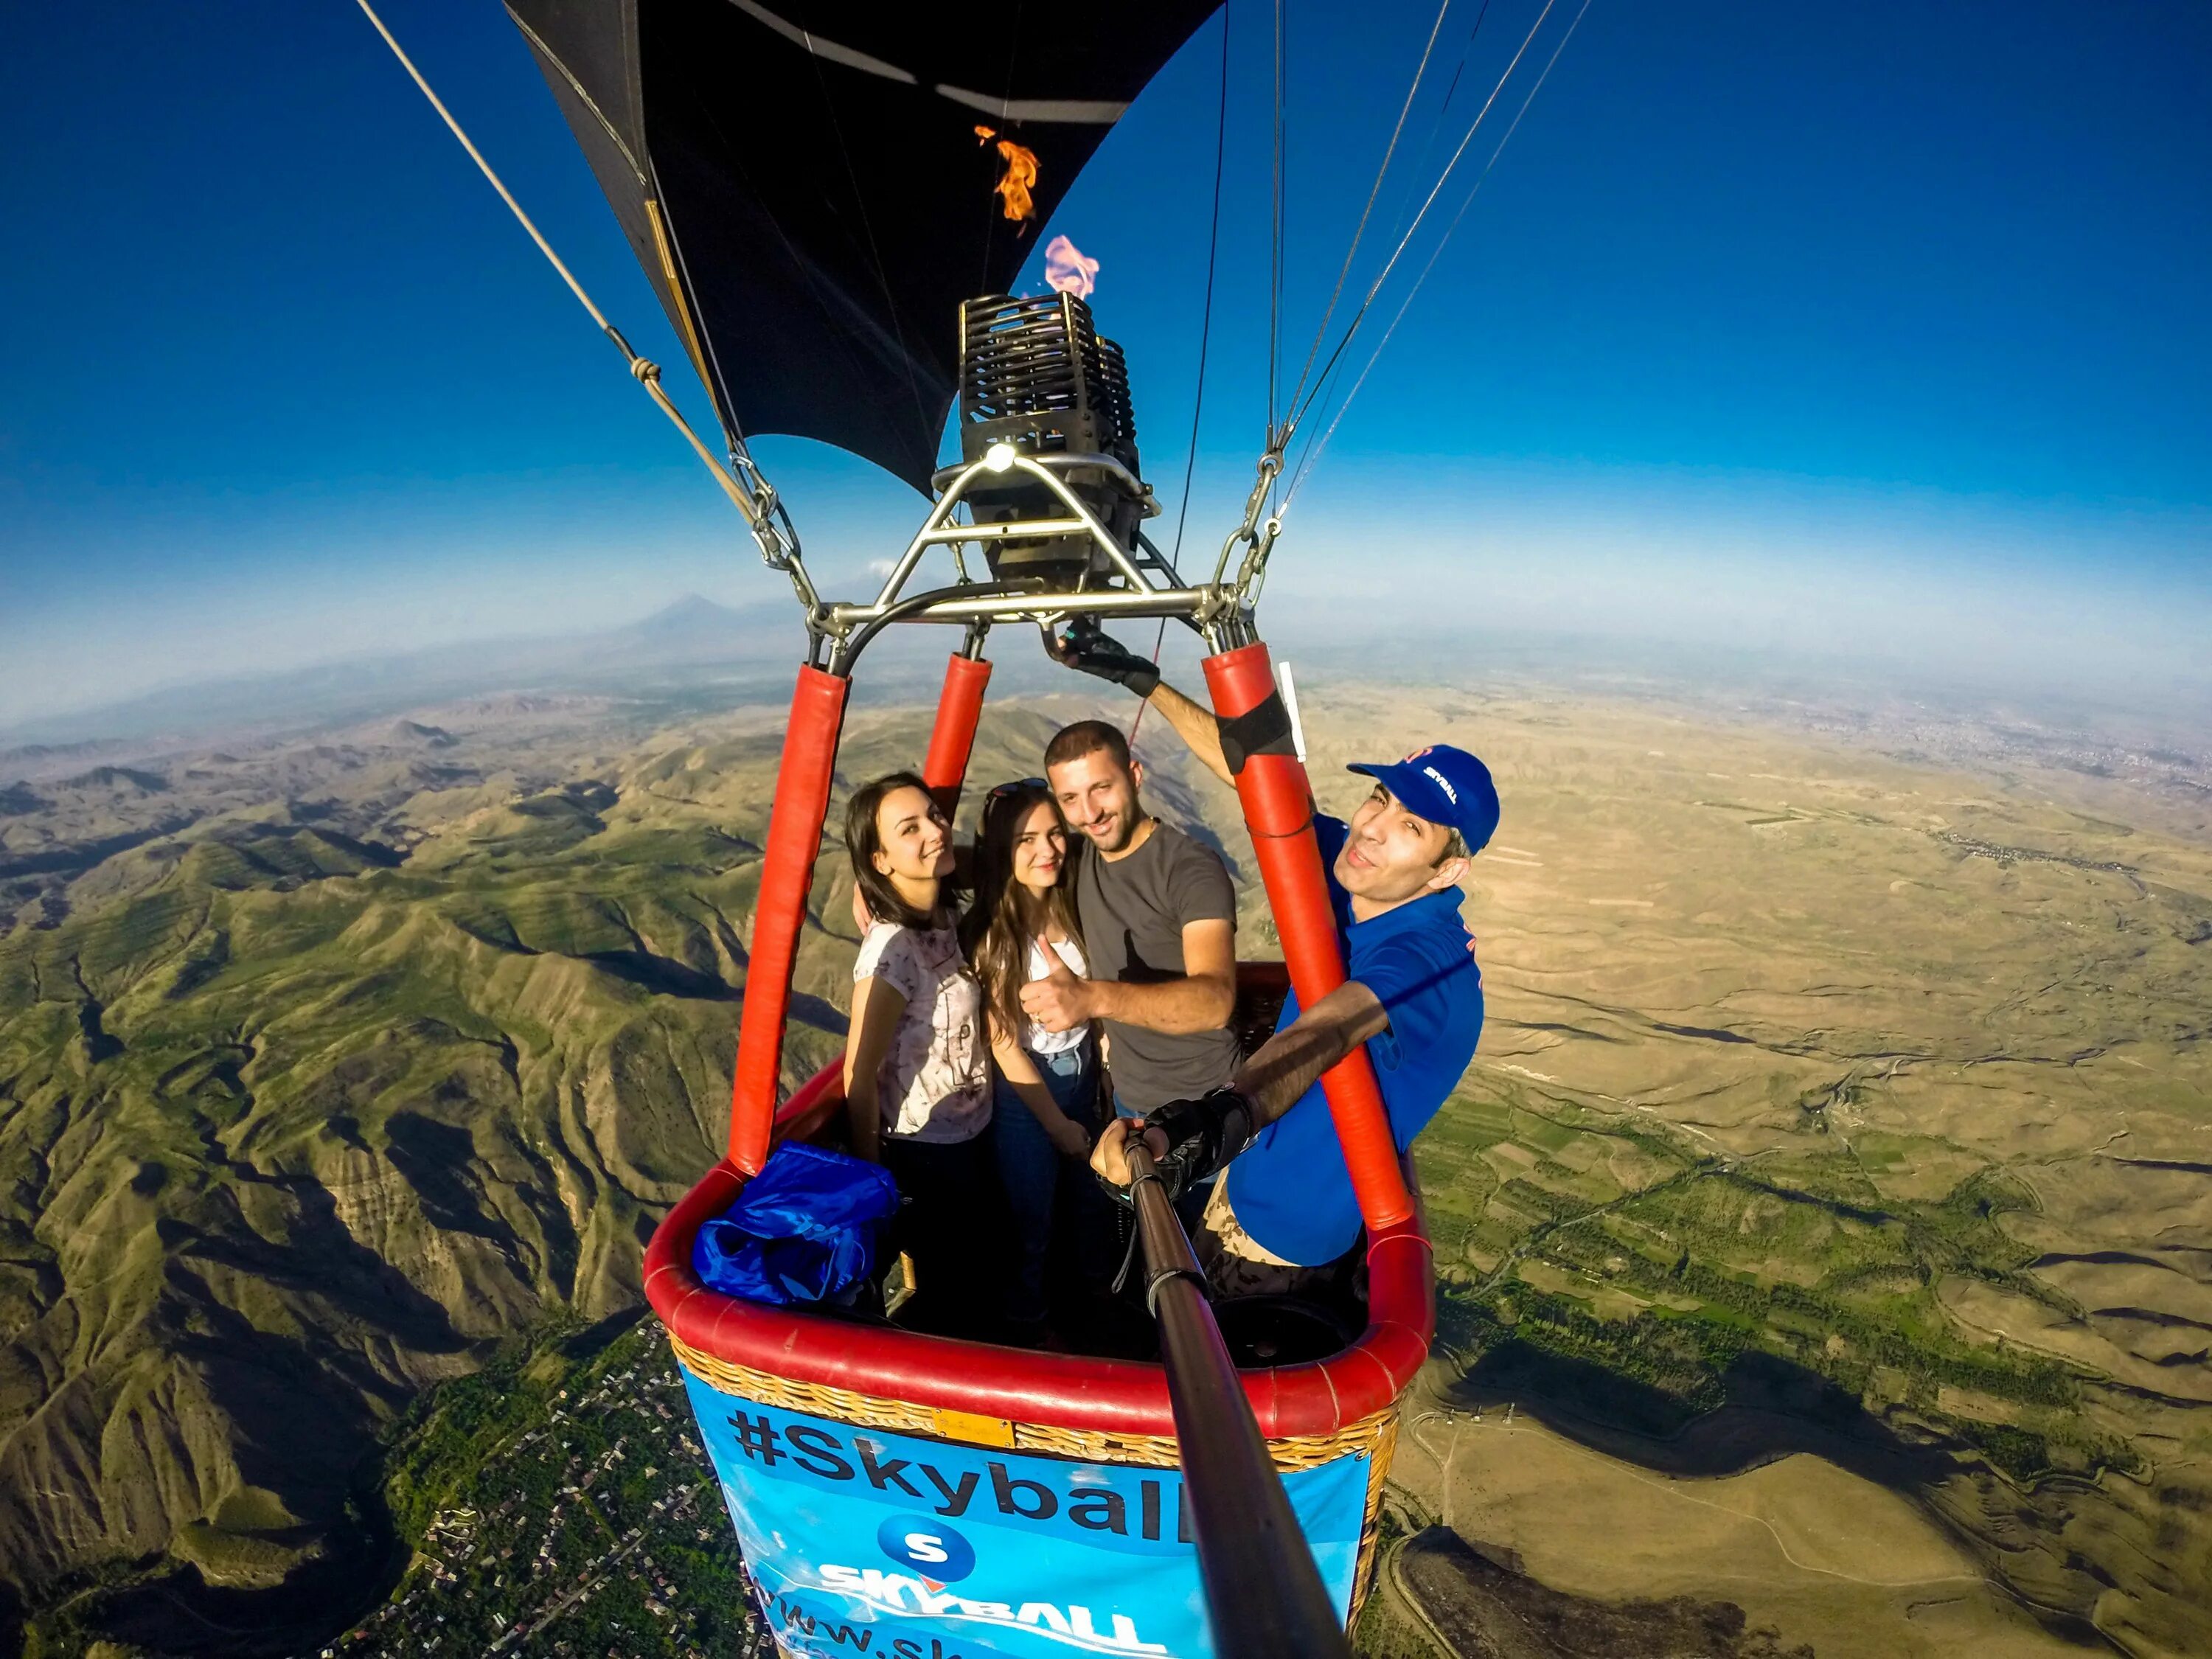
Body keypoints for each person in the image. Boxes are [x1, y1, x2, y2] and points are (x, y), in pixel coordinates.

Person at [1064, 630, 1495, 1297]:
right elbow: (1257, 784)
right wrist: (1147, 684)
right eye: (1381, 798)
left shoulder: (1428, 962)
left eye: (1413, 827)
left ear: (1449, 871)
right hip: (1248, 1179)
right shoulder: (1358, 879)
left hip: (1281, 1238)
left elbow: (1327, 1029)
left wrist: (1203, 1127)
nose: (1373, 827)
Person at [1020, 718, 1241, 1122]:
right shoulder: (1076, 857)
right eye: (1070, 799)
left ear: (1135, 776)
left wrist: (1094, 998)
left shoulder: (1189, 868)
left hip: (1206, 1104)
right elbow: (1001, 860)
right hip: (1129, 1103)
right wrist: (891, 885)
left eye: (1101, 788)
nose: (1089, 814)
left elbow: (1215, 1003)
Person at [841, 771, 997, 1334]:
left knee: (977, 1280)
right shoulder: (891, 949)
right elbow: (859, 1076)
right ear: (880, 859)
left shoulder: (946, 918)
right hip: (927, 1151)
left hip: (972, 1132)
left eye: (934, 815)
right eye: (910, 828)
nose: (935, 830)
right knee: (953, 1297)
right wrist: (874, 1178)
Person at [959, 779, 1113, 1342]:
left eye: (1054, 834)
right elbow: (1003, 1043)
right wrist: (1056, 1124)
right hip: (1028, 1097)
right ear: (1003, 850)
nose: (1047, 849)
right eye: (1027, 839)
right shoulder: (995, 936)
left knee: (1093, 1208)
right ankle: (1031, 1330)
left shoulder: (1073, 907)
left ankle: (1099, 1318)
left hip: (1082, 1075)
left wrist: (1102, 1046)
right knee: (1033, 1223)